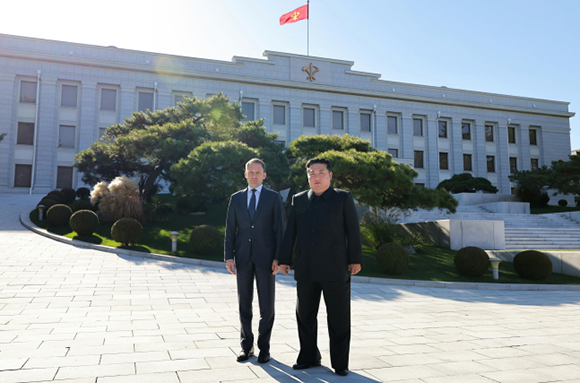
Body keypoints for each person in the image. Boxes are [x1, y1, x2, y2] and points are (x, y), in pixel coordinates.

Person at [279, 158, 362, 377]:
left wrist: (355, 259)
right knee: (305, 316)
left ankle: (340, 363)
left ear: (330, 175)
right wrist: (284, 259)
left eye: (321, 172)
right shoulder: (299, 200)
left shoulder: (342, 198)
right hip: (306, 269)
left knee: (339, 318)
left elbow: (353, 230)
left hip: (336, 269)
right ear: (307, 176)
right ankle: (308, 357)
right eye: (311, 173)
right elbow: (291, 232)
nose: (316, 177)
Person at [224, 158, 286, 364]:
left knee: (267, 306)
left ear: (264, 175)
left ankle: (264, 348)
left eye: (258, 172)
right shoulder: (236, 198)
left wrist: (279, 257)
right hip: (241, 257)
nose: (254, 175)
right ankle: (246, 346)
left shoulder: (273, 198)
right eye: (250, 172)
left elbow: (281, 230)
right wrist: (228, 256)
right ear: (245, 174)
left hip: (267, 259)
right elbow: (230, 229)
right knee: (244, 304)